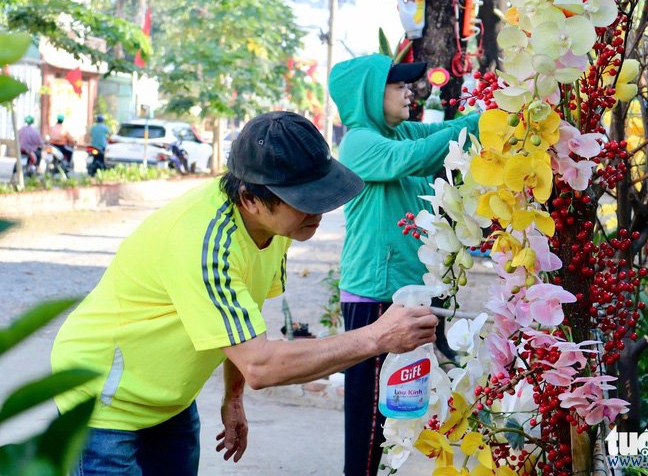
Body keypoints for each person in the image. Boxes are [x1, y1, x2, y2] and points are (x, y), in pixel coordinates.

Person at [50, 111, 438, 476]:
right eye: (304, 201)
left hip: (169, 401)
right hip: (103, 399)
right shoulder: (205, 242)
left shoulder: (276, 227)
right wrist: (377, 336)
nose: (318, 211)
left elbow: (245, 320)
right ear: (250, 198)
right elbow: (260, 365)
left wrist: (232, 397)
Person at [328, 53, 480, 476]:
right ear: (369, 96)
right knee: (371, 417)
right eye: (397, 86)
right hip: (375, 297)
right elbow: (416, 157)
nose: (408, 91)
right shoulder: (359, 141)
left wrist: (482, 117)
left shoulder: (399, 133)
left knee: (406, 404)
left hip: (408, 294)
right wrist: (480, 121)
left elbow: (444, 137)